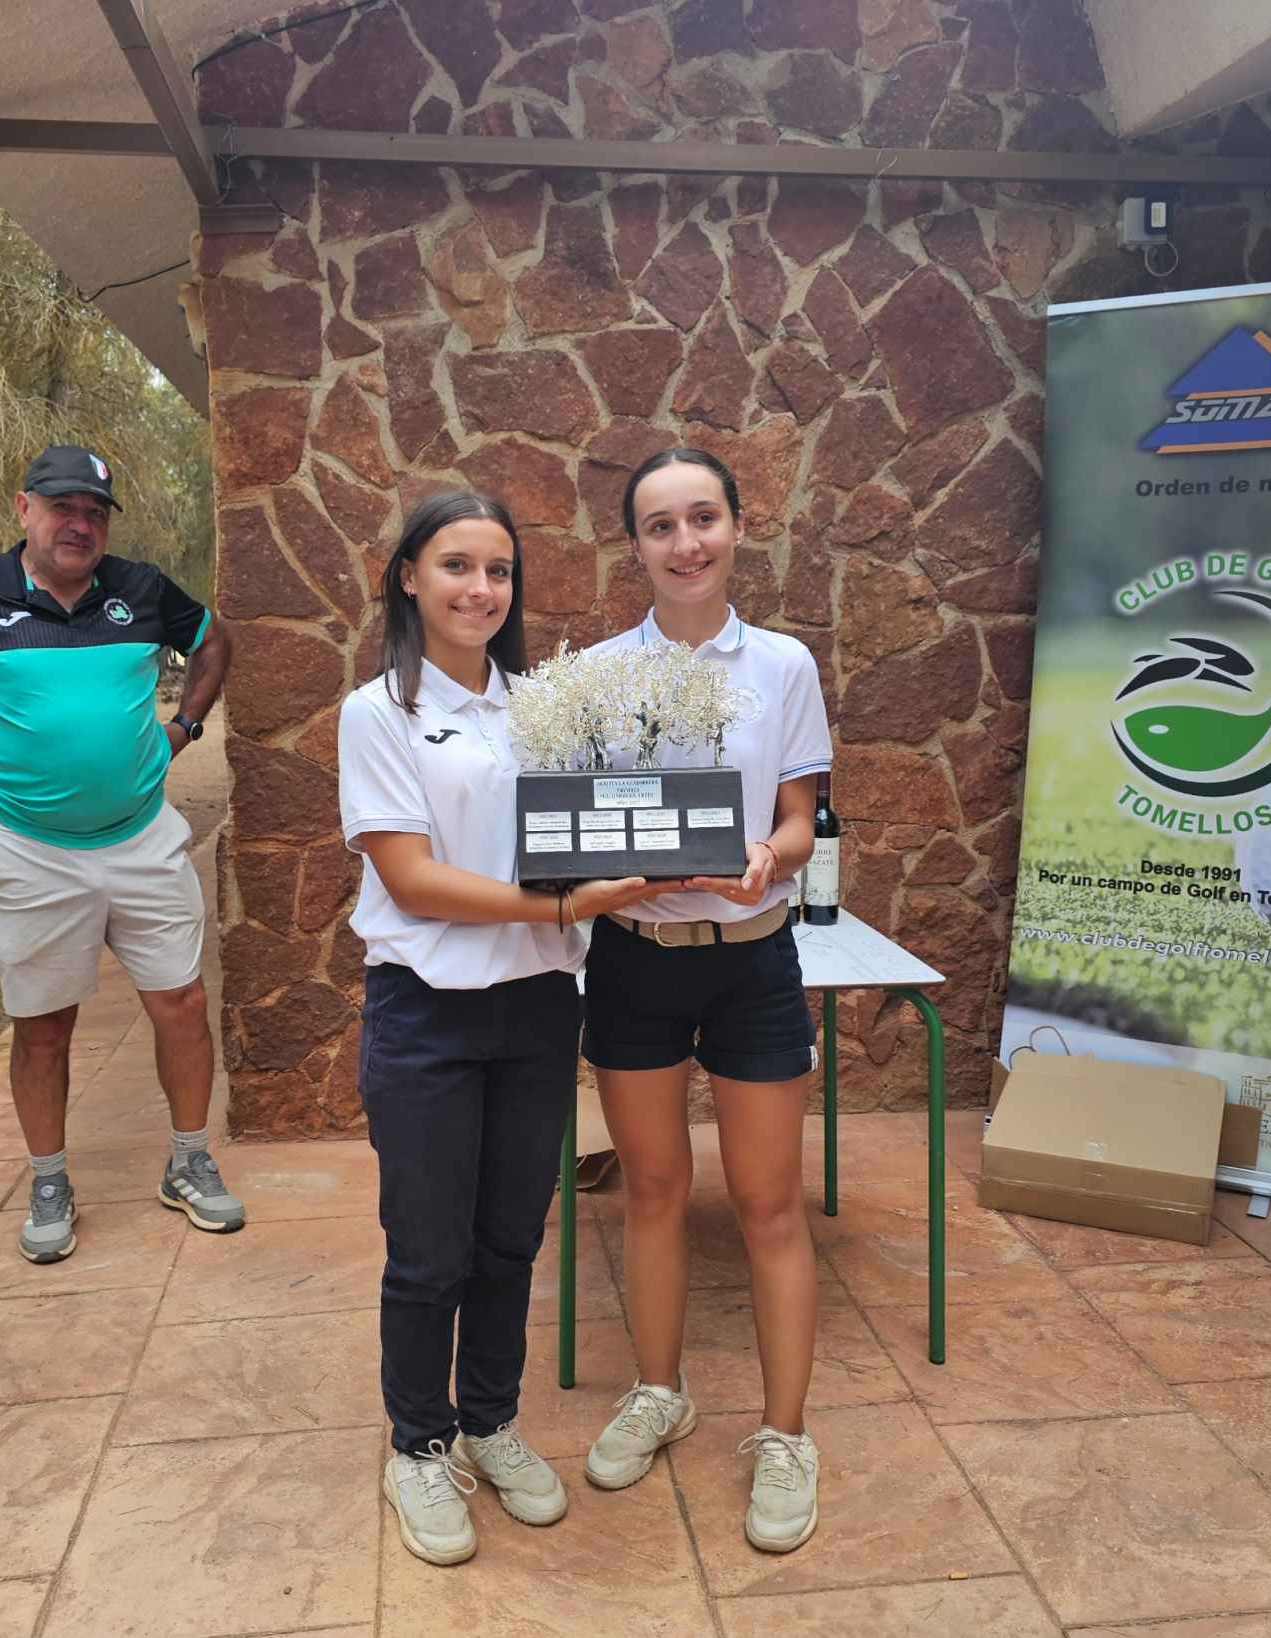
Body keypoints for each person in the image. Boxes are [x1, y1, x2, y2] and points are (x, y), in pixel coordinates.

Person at [338, 490, 672, 1566]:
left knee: (510, 1239)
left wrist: (660, 849)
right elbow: (413, 880)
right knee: (427, 1251)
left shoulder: (545, 708)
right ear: (408, 578)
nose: (480, 589)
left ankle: (488, 1421)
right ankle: (418, 1445)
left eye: (498, 570)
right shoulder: (378, 713)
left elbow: (597, 828)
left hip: (536, 1009)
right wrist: (564, 907)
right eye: (457, 566)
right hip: (426, 1015)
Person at [0, 445, 242, 1265]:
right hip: (31, 851)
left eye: (95, 513)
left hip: (142, 837)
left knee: (180, 1003)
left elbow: (212, 641)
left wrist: (183, 728)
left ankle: (188, 1161)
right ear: (23, 508)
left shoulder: (140, 589)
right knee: (43, 1029)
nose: (80, 525)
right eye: (63, 507)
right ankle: (50, 1180)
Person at [580, 448, 833, 1554]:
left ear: (736, 526)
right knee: (652, 1190)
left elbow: (799, 820)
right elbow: (578, 819)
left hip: (753, 961)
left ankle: (786, 1436)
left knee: (770, 1205)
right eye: (660, 526)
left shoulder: (783, 665)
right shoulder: (597, 676)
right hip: (632, 958)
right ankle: (658, 1391)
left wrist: (769, 857)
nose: (685, 543)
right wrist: (599, 871)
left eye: (702, 518)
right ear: (634, 546)